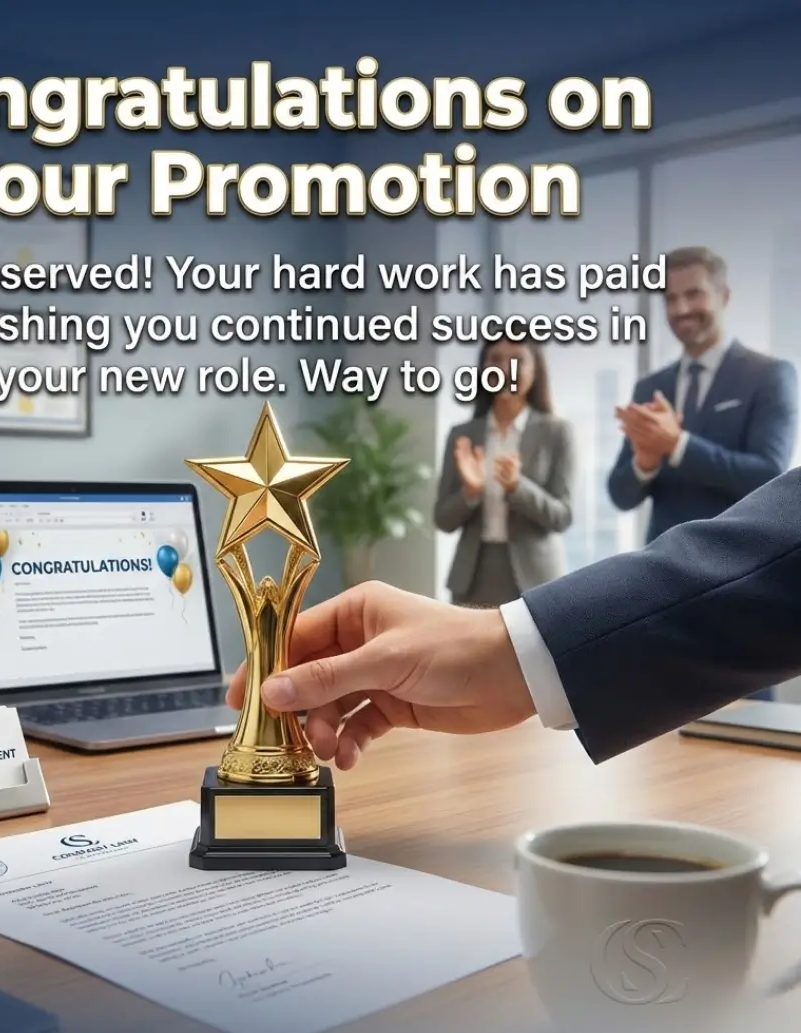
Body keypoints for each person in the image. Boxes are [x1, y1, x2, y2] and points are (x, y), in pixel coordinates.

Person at [226, 465, 801, 771]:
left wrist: (517, 647)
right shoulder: (464, 437)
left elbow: (562, 509)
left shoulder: (550, 430)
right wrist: (513, 654)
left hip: (536, 577)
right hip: (479, 578)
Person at [607, 245, 797, 542]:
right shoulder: (651, 387)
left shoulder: (769, 376)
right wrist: (644, 463)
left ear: (725, 296)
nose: (681, 309)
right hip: (663, 565)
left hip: (737, 563)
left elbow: (768, 474)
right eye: (671, 299)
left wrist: (678, 444)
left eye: (694, 294)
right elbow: (620, 495)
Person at [434, 339, 574, 607]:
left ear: (535, 371)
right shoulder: (462, 434)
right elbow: (442, 519)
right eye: (495, 359)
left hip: (537, 580)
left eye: (518, 360)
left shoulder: (557, 432)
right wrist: (471, 492)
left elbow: (562, 517)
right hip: (473, 578)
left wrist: (517, 487)